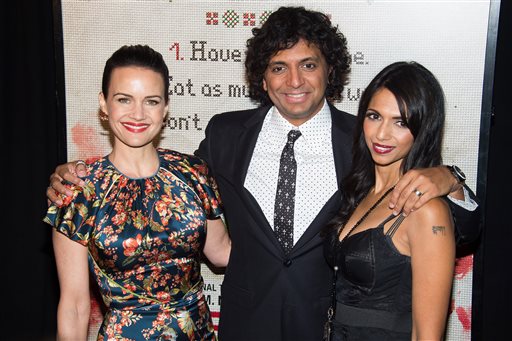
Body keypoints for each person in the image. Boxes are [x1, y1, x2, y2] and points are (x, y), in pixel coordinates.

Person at [46, 7, 480, 341]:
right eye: (278, 67)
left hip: (327, 326)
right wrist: (72, 176)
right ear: (262, 77)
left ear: (330, 70)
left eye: (308, 64)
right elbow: (162, 182)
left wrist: (449, 178)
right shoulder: (225, 135)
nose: (294, 79)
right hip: (243, 324)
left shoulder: (364, 139)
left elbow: (462, 226)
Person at [44, 44, 230, 340]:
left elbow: (222, 253)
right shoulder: (79, 190)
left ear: (166, 107)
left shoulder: (193, 173)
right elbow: (75, 306)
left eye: (151, 101)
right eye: (124, 99)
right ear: (103, 104)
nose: (138, 114)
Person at [324, 61, 456, 340]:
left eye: (400, 122)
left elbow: (427, 335)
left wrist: (451, 176)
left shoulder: (427, 210)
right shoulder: (360, 191)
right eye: (374, 116)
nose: (382, 134)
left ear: (423, 129)